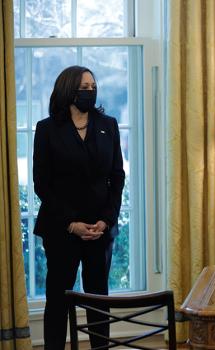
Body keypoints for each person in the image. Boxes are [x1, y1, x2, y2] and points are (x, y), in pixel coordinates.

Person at [33, 66, 125, 349]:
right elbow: (42, 184)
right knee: (58, 300)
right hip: (62, 230)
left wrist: (106, 221)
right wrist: (71, 223)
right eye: (84, 86)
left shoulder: (108, 124)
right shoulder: (47, 129)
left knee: (99, 300)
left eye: (93, 86)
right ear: (68, 89)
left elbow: (117, 177)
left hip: (100, 230)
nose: (90, 90)